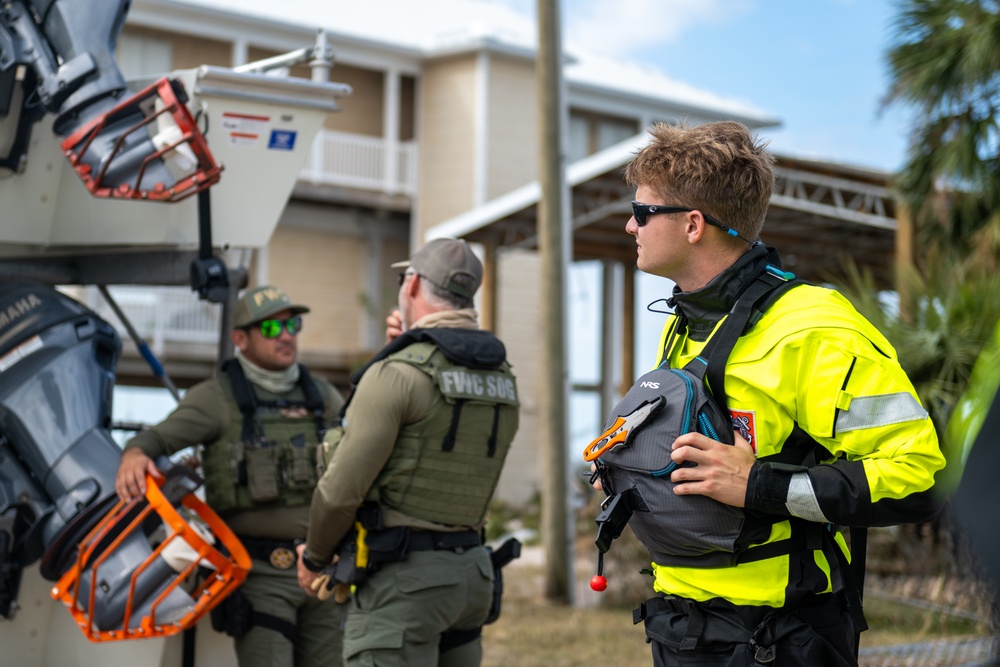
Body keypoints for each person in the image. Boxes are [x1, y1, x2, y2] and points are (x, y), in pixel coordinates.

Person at [616, 121, 945, 666]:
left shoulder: (816, 329)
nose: (630, 225)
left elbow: (921, 480)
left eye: (643, 212)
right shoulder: (690, 321)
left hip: (780, 640)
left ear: (693, 224)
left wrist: (760, 485)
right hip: (682, 629)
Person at [296, 237, 520, 666]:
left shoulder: (398, 374)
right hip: (471, 575)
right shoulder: (501, 378)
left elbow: (339, 491)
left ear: (413, 285)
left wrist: (315, 556)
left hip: (403, 585)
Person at [115, 284, 347, 667]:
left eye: (293, 325)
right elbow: (156, 438)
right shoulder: (217, 398)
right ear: (240, 339)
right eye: (272, 329)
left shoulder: (321, 395)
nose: (287, 336)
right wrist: (135, 455)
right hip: (259, 574)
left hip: (323, 573)